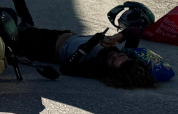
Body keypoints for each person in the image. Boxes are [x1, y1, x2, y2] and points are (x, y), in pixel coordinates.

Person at [17, 24, 155, 88]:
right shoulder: (125, 55)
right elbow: (135, 31)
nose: (115, 54)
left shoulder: (97, 67)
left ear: (111, 69)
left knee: (10, 33)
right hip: (62, 34)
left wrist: (90, 45)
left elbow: (66, 68)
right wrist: (118, 37)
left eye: (113, 60)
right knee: (18, 25)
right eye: (119, 55)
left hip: (46, 47)